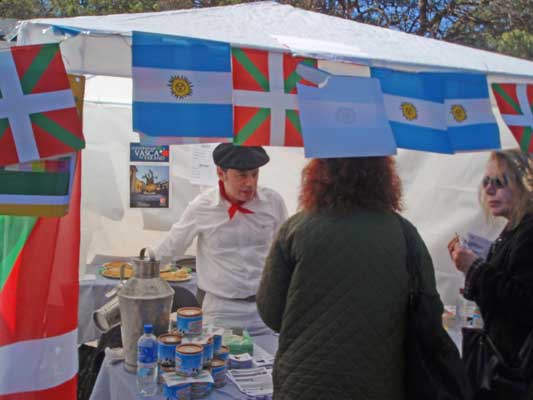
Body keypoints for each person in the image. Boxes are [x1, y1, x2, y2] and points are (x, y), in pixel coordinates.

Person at [257, 157, 446, 399]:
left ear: (319, 174)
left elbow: (271, 313)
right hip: (378, 382)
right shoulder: (404, 233)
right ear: (384, 178)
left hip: (303, 383)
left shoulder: (295, 229)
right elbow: (430, 310)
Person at [154, 143, 287, 335]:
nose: (250, 182)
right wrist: (141, 274)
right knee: (216, 363)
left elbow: (285, 251)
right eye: (241, 175)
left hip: (264, 309)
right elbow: (172, 247)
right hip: (221, 311)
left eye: (254, 174)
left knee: (270, 363)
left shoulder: (273, 202)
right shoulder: (202, 207)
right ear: (220, 173)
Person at [448, 149, 533, 399]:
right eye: (486, 182)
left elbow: (524, 302)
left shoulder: (528, 232)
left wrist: (476, 268)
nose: (488, 190)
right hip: (493, 367)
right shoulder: (514, 229)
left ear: (524, 185)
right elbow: (492, 302)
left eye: (499, 182)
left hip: (507, 374)